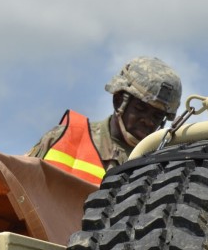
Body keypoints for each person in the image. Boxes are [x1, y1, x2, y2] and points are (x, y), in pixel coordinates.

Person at [26, 57, 182, 185]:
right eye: (140, 108)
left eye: (157, 116)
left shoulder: (159, 167)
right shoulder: (63, 138)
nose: (148, 121)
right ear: (119, 100)